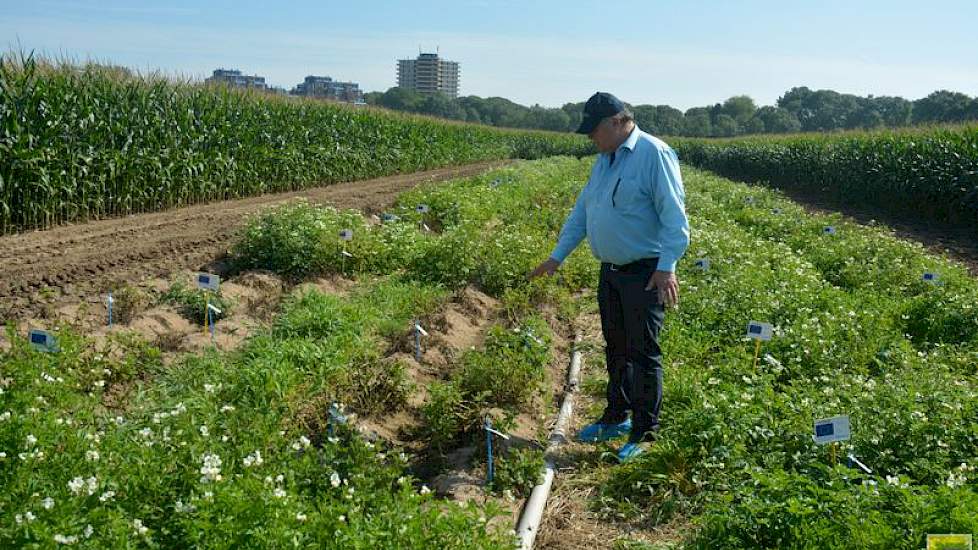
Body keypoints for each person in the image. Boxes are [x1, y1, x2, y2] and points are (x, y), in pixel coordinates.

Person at [529, 92, 690, 462]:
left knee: (643, 352)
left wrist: (667, 267)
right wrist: (556, 258)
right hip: (612, 272)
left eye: (595, 130)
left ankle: (645, 431)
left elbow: (674, 217)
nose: (591, 139)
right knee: (615, 346)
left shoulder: (654, 154)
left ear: (618, 121)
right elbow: (583, 214)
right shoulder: (604, 161)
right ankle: (616, 415)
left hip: (645, 273)